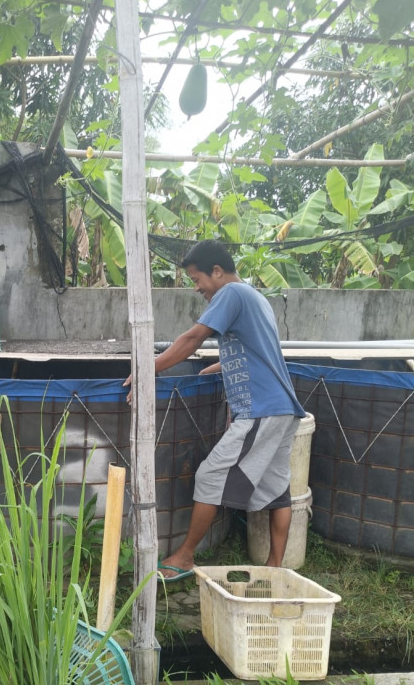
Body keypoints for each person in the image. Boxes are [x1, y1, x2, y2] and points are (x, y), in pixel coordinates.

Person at [123, 240, 305, 581]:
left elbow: (193, 338)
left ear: (217, 272)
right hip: (283, 408)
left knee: (209, 476)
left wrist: (148, 370)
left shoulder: (230, 295)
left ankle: (185, 556)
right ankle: (274, 568)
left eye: (197, 279)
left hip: (260, 410)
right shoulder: (256, 298)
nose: (197, 288)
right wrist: (217, 367)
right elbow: (256, 350)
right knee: (277, 489)